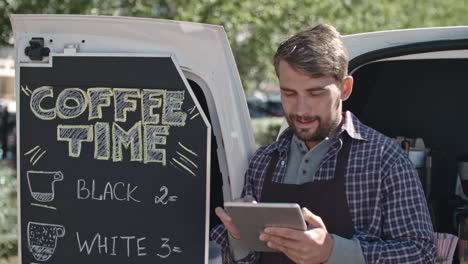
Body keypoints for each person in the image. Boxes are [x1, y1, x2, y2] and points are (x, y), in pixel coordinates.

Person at [210, 24, 436, 263]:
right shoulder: (263, 162)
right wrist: (240, 237)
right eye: (289, 93)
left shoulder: (384, 159)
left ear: (345, 88)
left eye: (315, 94)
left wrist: (332, 251)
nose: (301, 109)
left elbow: (421, 254)